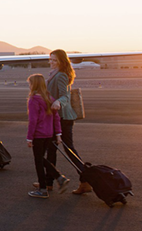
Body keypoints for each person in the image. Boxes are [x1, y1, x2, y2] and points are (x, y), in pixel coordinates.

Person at [47, 49, 92, 195]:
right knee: (53, 148)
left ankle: (86, 181)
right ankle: (48, 183)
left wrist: (58, 102)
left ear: (61, 61)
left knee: (68, 149)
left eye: (54, 60)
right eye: (50, 59)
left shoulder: (61, 76)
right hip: (58, 117)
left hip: (63, 117)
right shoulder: (55, 74)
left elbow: (65, 96)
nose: (51, 62)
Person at [26, 74, 70, 198]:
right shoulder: (49, 98)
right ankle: (58, 177)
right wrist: (58, 134)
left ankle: (43, 188)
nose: (29, 86)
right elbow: (56, 118)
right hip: (49, 134)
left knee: (38, 161)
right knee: (41, 158)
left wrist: (29, 137)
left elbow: (33, 120)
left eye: (29, 83)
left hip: (38, 135)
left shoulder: (34, 100)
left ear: (34, 85)